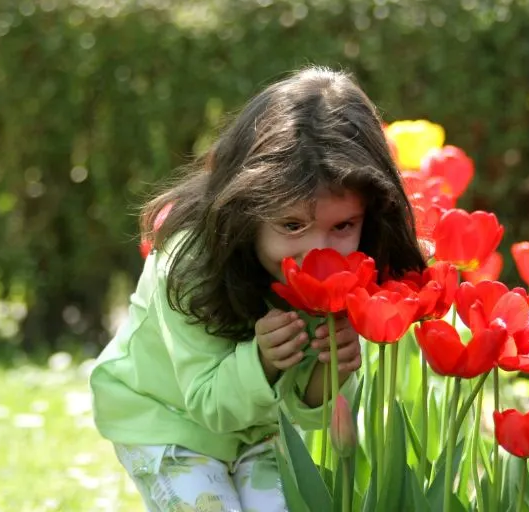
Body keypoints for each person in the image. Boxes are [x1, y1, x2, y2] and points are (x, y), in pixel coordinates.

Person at [91, 66, 427, 511]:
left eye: (343, 224)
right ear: (248, 206)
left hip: (262, 431)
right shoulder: (190, 261)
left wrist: (332, 370)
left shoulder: (351, 269)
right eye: (291, 225)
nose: (317, 251)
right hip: (167, 422)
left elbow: (311, 412)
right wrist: (264, 360)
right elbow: (209, 405)